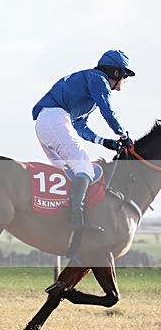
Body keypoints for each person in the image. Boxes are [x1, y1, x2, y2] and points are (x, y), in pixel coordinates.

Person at [32, 49, 135, 231]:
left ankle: (59, 217)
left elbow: (81, 127)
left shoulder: (90, 86)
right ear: (116, 72)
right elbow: (108, 112)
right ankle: (76, 219)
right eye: (125, 76)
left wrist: (103, 141)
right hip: (55, 120)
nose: (124, 82)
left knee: (67, 173)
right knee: (85, 168)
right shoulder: (99, 80)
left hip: (45, 123)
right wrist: (123, 135)